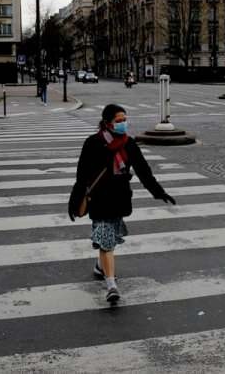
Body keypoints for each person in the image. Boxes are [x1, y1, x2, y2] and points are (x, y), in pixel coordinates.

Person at [68, 104, 176, 303]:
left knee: (109, 239)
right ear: (108, 123)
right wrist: (74, 201)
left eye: (124, 119)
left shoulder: (129, 144)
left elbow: (144, 171)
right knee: (107, 240)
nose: (123, 123)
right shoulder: (93, 143)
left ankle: (100, 267)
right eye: (119, 121)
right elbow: (81, 175)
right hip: (100, 199)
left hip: (119, 198)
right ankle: (111, 285)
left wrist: (159, 192)